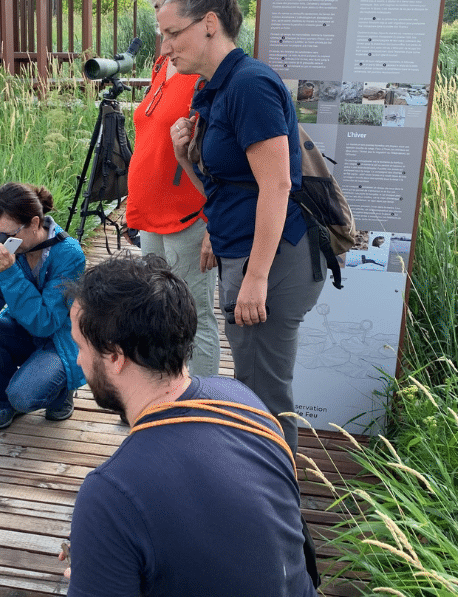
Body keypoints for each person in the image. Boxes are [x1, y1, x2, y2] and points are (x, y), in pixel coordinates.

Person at [62, 254, 318, 597]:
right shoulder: (243, 401)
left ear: (114, 356)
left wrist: (95, 561)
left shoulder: (110, 493)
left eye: (80, 346)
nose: (78, 359)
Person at [161, 0, 327, 454]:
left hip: (274, 261)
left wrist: (255, 277)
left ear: (209, 24)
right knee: (255, 385)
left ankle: (277, 515)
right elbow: (224, 187)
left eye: (172, 33)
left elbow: (278, 186)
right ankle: (259, 495)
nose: (164, 47)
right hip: (245, 250)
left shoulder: (250, 85)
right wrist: (182, 154)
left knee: (265, 395)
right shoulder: (215, 86)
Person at [126, 0, 220, 378]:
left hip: (188, 215)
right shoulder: (165, 60)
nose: (158, 16)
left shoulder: (205, 67)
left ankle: (201, 412)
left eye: (162, 4)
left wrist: (213, 227)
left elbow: (220, 157)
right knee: (157, 313)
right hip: (151, 213)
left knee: (193, 314)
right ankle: (163, 399)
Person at [0, 182, 86, 429]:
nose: (1, 243)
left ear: (34, 223)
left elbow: (45, 323)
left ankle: (61, 391)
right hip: (22, 327)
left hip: (58, 338)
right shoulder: (12, 247)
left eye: (8, 235)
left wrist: (9, 273)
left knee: (25, 396)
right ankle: (5, 403)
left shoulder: (69, 254)